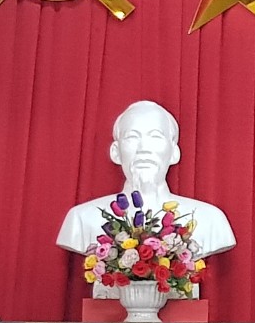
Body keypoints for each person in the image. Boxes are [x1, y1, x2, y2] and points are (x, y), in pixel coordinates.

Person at [56, 99, 238, 257]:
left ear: (174, 153)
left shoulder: (210, 220)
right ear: (115, 152)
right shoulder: (81, 219)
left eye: (155, 137)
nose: (144, 148)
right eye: (132, 137)